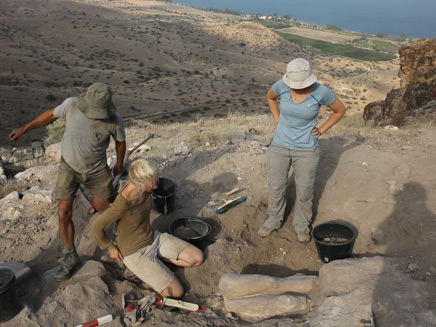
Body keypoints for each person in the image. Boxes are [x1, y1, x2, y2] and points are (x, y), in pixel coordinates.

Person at [9, 83, 126, 280]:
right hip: (69, 168)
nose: (95, 116)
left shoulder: (114, 121)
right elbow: (49, 116)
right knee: (63, 212)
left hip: (97, 171)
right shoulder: (71, 105)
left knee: (115, 205)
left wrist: (119, 165)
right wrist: (25, 129)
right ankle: (70, 256)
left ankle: (124, 241)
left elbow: (121, 143)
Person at [258, 58, 346, 242]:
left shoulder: (321, 92)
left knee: (305, 190)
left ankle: (301, 225)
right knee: (276, 186)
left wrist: (321, 129)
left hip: (306, 149)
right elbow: (270, 97)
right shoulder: (281, 85)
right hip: (280, 145)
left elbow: (339, 110)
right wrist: (277, 120)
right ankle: (273, 220)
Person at [91, 159, 203, 298]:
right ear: (140, 183)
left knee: (197, 258)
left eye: (156, 181)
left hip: (153, 238)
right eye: (153, 183)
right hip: (135, 253)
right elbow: (96, 227)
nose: (156, 186)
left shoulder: (145, 191)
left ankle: (157, 262)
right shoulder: (122, 204)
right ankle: (140, 270)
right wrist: (110, 246)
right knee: (177, 293)